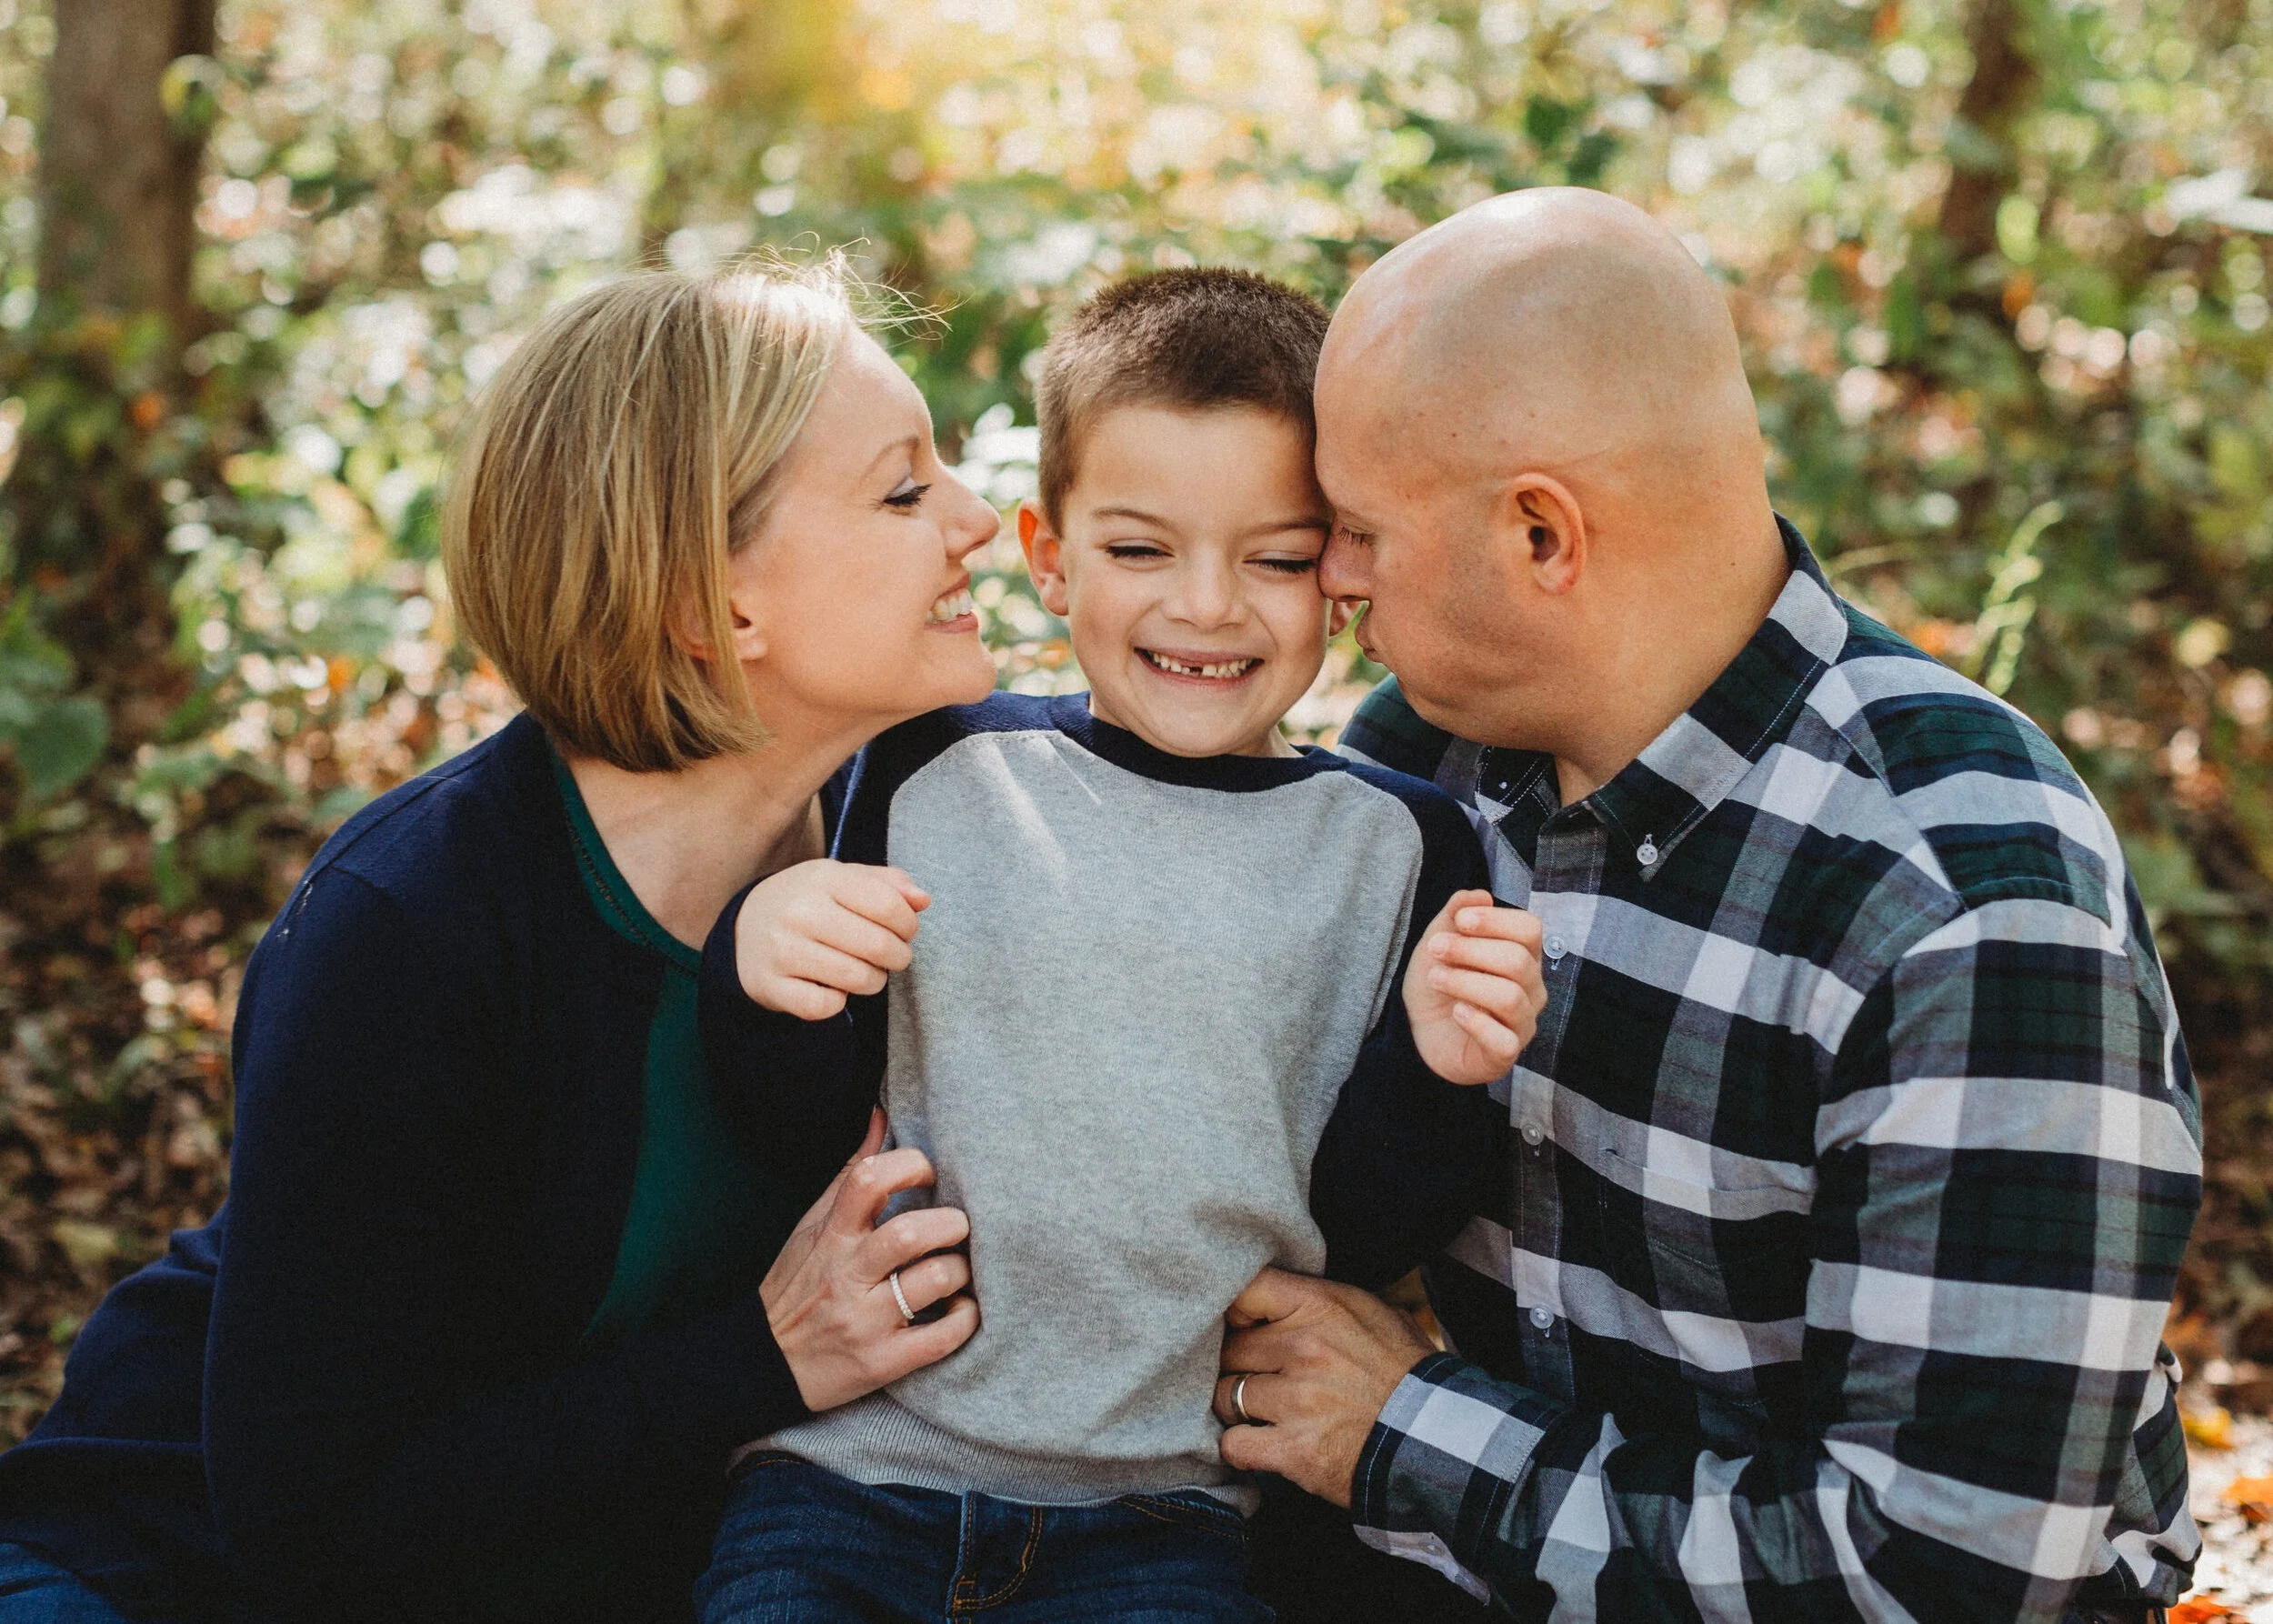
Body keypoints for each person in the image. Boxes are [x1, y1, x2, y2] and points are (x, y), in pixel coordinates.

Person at [1214, 189, 2203, 1624]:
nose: (1334, 579)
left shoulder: (1967, 907)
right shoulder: (1425, 767)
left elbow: (1948, 1578)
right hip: (1501, 1564)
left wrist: (1402, 1436)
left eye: (1357, 529)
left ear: (1543, 536)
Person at [0, 262, 1011, 1623]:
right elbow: (316, 1522)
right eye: (904, 491)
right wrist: (762, 1357)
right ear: (710, 604)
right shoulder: (408, 928)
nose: (982, 520)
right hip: (165, 1567)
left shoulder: (926, 807)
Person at [690, 269, 1549, 1622]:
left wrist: (1441, 1064)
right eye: (1141, 549)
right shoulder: (928, 775)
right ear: (1048, 553)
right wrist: (762, 967)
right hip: (852, 1479)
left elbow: (1359, 1226)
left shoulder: (1396, 849)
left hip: (1161, 1518)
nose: (1207, 607)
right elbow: (799, 1131)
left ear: (1335, 570)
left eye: (1272, 556)